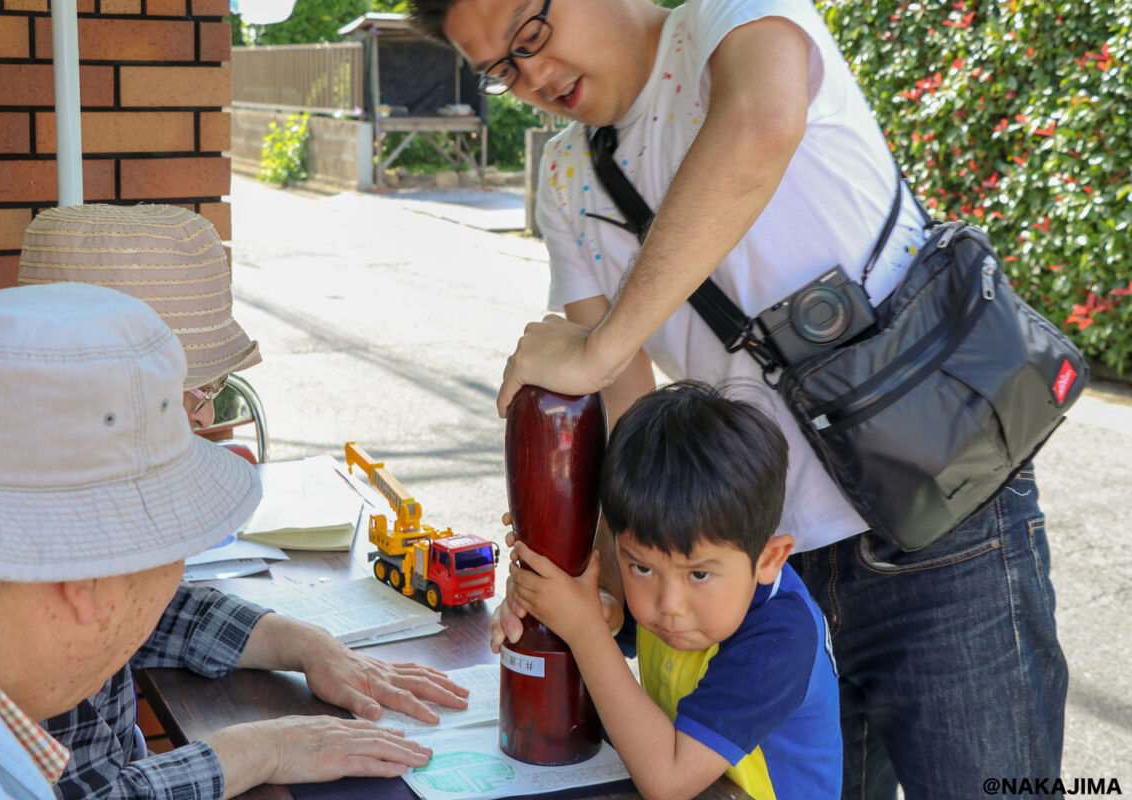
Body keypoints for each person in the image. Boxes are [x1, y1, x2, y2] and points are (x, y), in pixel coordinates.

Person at [408, 0, 1067, 797]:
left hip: (943, 519)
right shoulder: (566, 174)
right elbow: (622, 406)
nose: (535, 76)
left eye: (532, 37)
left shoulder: (731, 16)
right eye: (503, 71)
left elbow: (759, 126)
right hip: (747, 573)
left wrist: (597, 345)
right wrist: (593, 589)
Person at [13, 205, 470, 800]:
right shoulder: (26, 574)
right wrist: (264, 749)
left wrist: (302, 644)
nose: (205, 412)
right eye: (196, 389)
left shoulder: (48, 491)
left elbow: (139, 615)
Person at [508, 382, 841, 800]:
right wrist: (557, 602)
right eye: (641, 567)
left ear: (769, 559)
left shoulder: (781, 636)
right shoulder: (687, 605)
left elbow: (668, 782)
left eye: (699, 575)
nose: (669, 606)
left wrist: (585, 629)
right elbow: (608, 626)